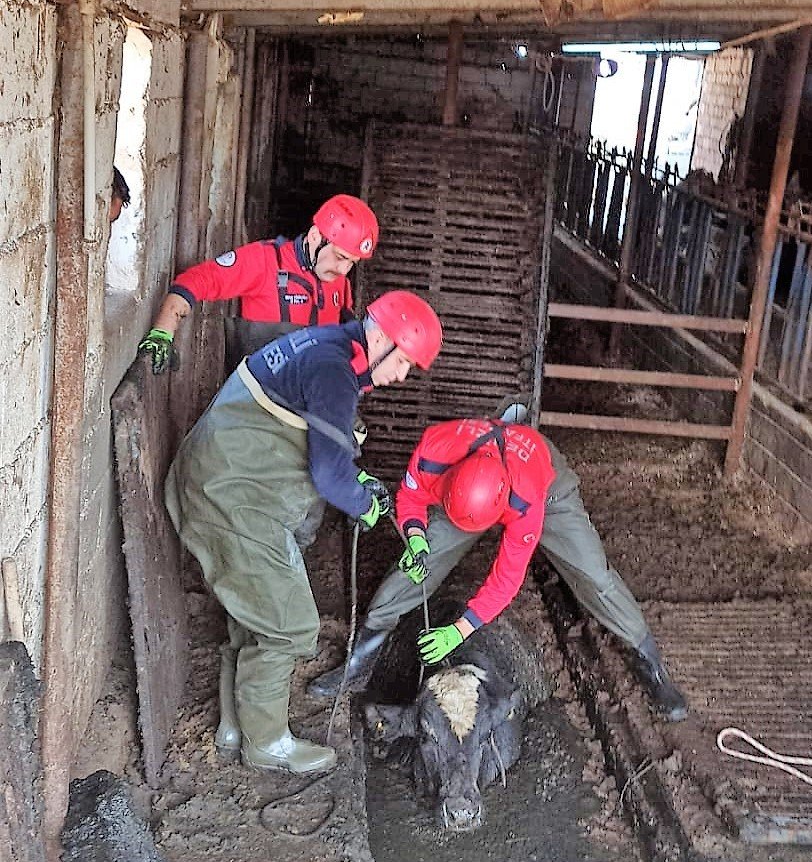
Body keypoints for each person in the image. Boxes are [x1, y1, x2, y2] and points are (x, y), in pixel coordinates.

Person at [165, 290, 443, 777]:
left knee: (254, 612)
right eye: (402, 362)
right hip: (230, 496)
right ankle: (267, 744)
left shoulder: (326, 349)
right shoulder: (333, 372)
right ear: (379, 338)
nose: (401, 376)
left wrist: (361, 482)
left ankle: (235, 727)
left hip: (226, 479)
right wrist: (364, 506)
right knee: (290, 626)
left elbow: (322, 444)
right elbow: (329, 476)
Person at [309, 402, 688, 721]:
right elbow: (411, 499)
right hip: (466, 498)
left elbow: (506, 579)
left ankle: (650, 665)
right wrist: (417, 537)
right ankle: (360, 660)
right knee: (415, 565)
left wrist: (458, 631)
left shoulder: (526, 503)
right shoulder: (436, 449)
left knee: (594, 575)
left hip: (548, 491)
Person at [138, 193, 380, 373]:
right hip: (255, 409)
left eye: (352, 263)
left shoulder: (339, 283)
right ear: (316, 236)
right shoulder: (265, 261)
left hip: (309, 407)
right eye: (340, 257)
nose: (343, 269)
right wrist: (163, 330)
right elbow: (196, 280)